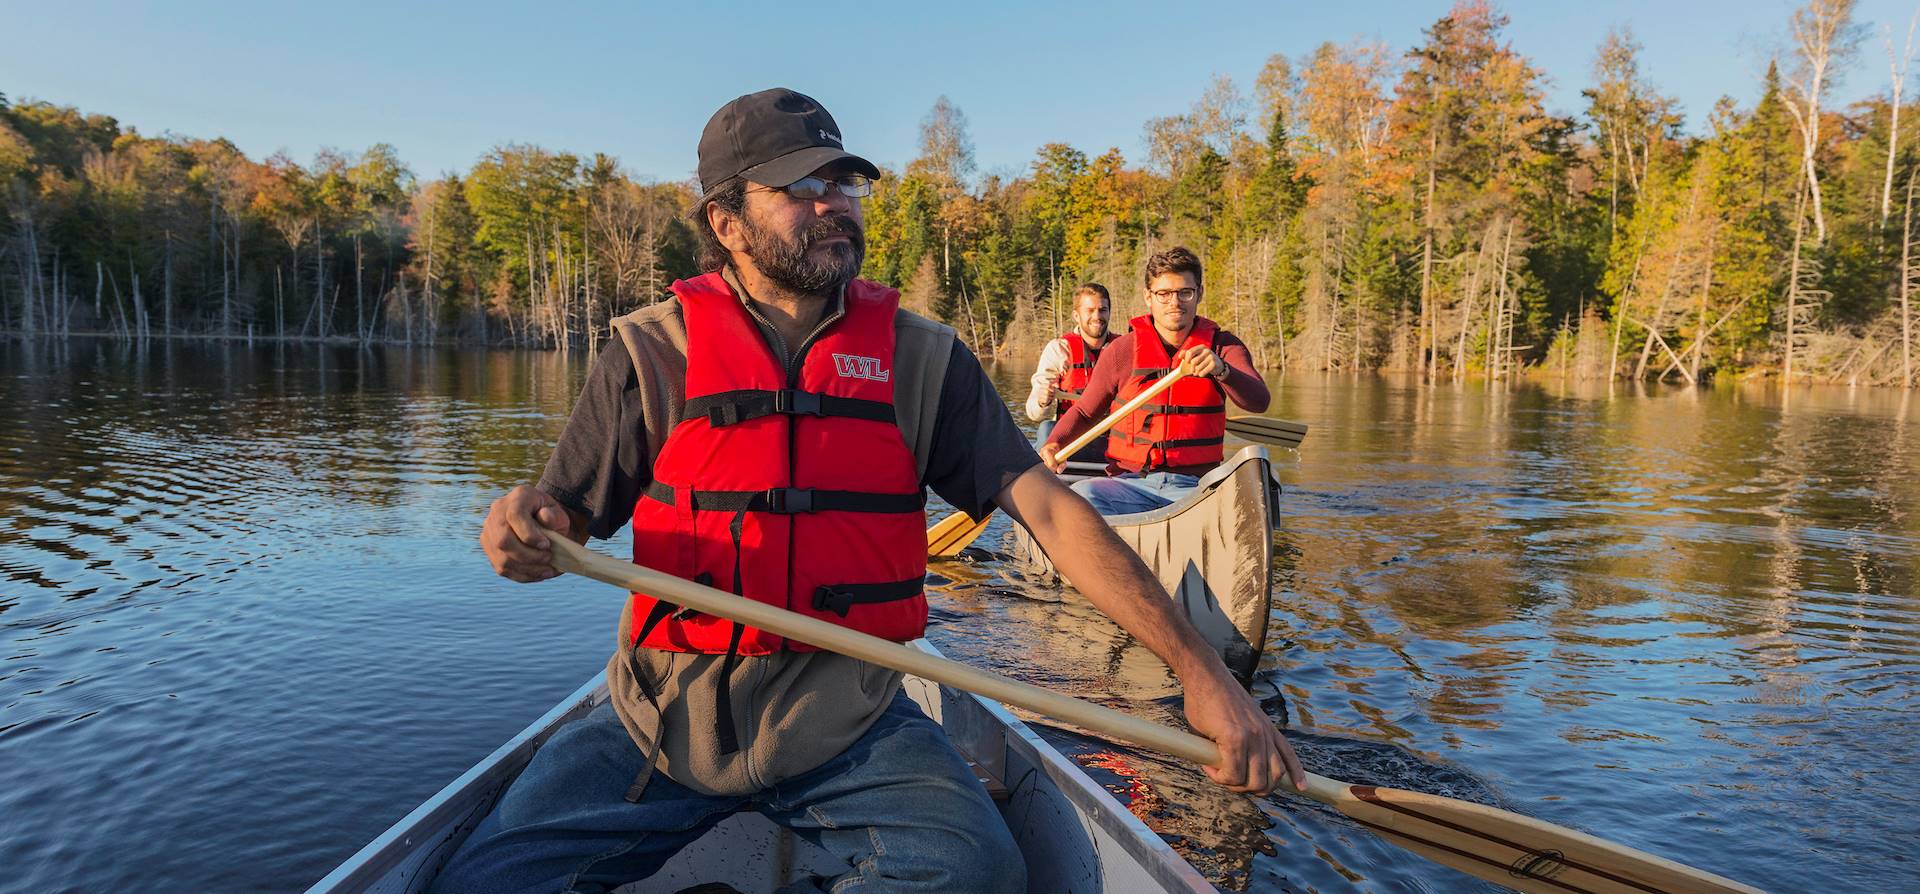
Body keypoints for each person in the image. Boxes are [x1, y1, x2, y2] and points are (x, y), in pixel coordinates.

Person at [449, 89, 1303, 893]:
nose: (835, 202)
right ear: (726, 222)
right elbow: (556, 521)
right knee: (480, 880)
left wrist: (1202, 674)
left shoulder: (922, 359)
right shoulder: (652, 351)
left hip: (847, 716)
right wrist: (520, 532)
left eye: (843, 181)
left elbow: (1050, 508)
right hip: (664, 716)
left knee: (974, 872)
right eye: (799, 187)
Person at [1040, 247, 1270, 516]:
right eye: (1164, 294)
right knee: (1084, 495)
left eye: (1185, 292)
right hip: (1130, 484)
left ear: (1199, 294)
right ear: (1148, 297)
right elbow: (1084, 411)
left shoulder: (1223, 347)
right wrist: (1055, 442)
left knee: (1260, 479)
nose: (1175, 302)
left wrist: (1222, 370)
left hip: (1198, 488)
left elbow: (1259, 401)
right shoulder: (1121, 351)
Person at [1024, 283, 1116, 465]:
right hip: (1069, 439)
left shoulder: (1122, 349)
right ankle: (1046, 477)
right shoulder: (1059, 349)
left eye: (1102, 310)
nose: (1097, 316)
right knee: (1045, 429)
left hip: (1112, 440)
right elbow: (1033, 413)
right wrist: (1043, 400)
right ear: (1076, 315)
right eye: (1090, 310)